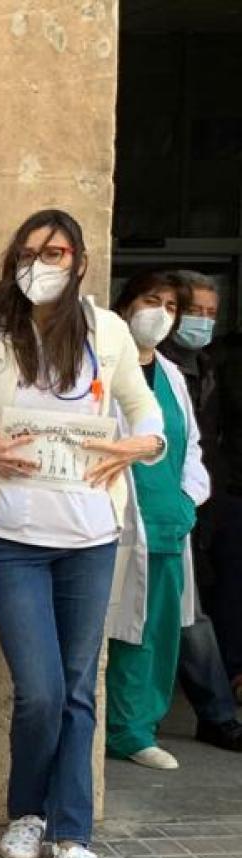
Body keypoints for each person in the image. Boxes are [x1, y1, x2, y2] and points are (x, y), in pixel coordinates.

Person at [0, 209, 165, 858]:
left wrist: (137, 446)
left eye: (56, 251)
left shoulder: (109, 332)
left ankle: (72, 836)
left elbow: (146, 416)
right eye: (31, 251)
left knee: (77, 689)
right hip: (10, 536)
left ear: (81, 260)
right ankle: (26, 809)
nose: (43, 263)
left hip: (90, 535)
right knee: (40, 693)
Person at [103, 271, 209, 770]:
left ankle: (140, 728)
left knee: (161, 631)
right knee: (122, 627)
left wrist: (188, 499)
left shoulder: (171, 375)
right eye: (151, 300)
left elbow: (191, 445)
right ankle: (116, 728)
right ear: (126, 304)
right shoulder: (103, 362)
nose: (160, 313)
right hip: (119, 517)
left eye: (170, 306)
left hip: (168, 521)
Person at [165, 271, 242, 750]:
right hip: (167, 504)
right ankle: (216, 712)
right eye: (195, 311)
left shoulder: (206, 363)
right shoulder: (159, 368)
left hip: (202, 501)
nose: (203, 322)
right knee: (188, 613)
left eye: (212, 314)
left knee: (197, 605)